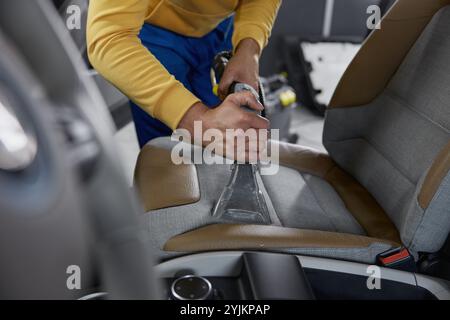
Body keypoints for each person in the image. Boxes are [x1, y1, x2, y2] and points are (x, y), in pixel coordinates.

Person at [87, 0, 281, 159]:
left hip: (219, 24)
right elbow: (110, 37)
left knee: (224, 130)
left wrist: (249, 48)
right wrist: (198, 120)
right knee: (166, 147)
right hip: (152, 26)